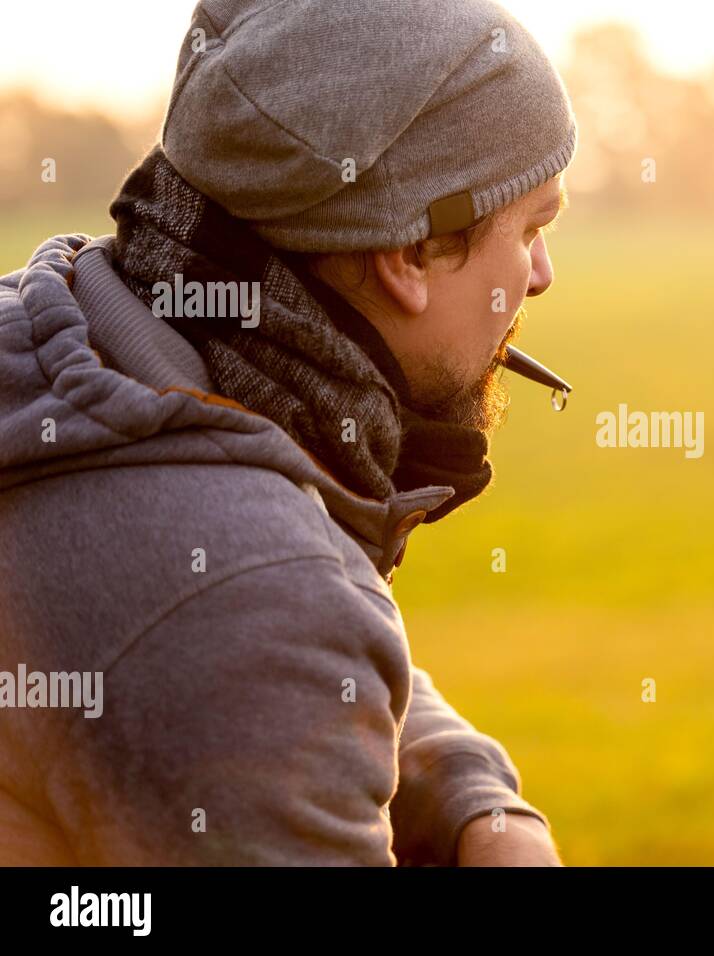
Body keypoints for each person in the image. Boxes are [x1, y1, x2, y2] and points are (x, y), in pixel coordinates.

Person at [0, 0, 577, 865]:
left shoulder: (75, 341)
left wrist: (470, 795)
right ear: (408, 256)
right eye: (531, 227)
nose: (541, 275)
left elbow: (224, 640)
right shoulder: (251, 588)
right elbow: (248, 625)